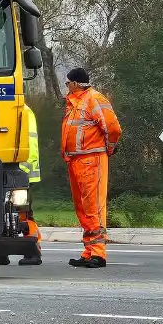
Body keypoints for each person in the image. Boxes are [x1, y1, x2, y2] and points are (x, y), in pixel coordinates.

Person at [61, 67, 122, 269]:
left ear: (76, 83)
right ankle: (88, 251)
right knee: (83, 209)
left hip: (92, 160)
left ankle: (98, 253)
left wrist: (109, 149)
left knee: (94, 208)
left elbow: (113, 128)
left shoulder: (94, 98)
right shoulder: (74, 102)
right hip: (76, 161)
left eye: (68, 82)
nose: (67, 86)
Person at [0, 104, 43, 266]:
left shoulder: (18, 110)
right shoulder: (21, 109)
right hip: (15, 170)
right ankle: (1, 253)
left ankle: (33, 252)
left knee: (23, 214)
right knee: (2, 213)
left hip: (19, 169)